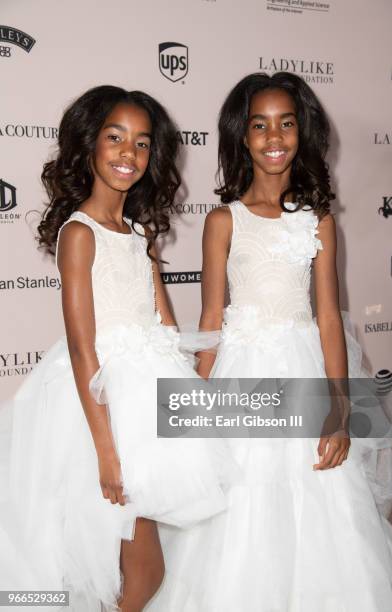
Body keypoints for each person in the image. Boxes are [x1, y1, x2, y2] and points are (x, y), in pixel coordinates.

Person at [147, 72, 392, 612]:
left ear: (301, 132)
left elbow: (330, 320)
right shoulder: (223, 220)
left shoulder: (318, 222)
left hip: (306, 371)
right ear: (242, 137)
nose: (273, 137)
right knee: (240, 516)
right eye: (260, 125)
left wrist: (339, 409)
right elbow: (212, 316)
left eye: (285, 124)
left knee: (323, 513)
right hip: (242, 377)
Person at [0, 85, 236, 612]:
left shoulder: (137, 234)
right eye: (115, 137)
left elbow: (167, 330)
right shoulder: (79, 234)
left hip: (149, 403)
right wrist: (109, 455)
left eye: (143, 143)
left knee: (141, 569)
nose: (129, 153)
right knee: (142, 571)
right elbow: (85, 350)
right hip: (99, 415)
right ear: (89, 146)